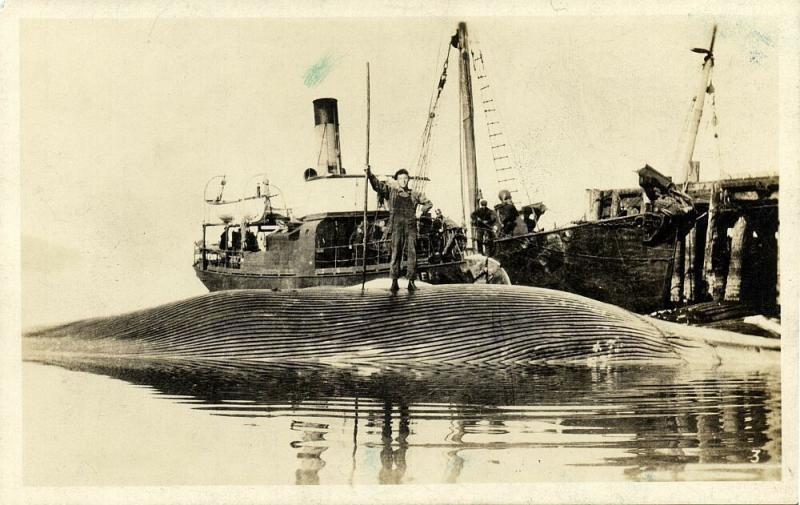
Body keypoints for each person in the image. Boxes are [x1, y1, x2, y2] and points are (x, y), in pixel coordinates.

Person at [366, 167, 433, 291]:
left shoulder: (415, 194)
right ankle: (394, 281)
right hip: (396, 227)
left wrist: (421, 212)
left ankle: (411, 282)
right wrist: (369, 174)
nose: (403, 181)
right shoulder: (391, 192)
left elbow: (429, 203)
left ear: (408, 180)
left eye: (405, 178)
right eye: (401, 178)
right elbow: (377, 186)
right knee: (395, 253)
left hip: (411, 227)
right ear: (397, 180)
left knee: (412, 253)